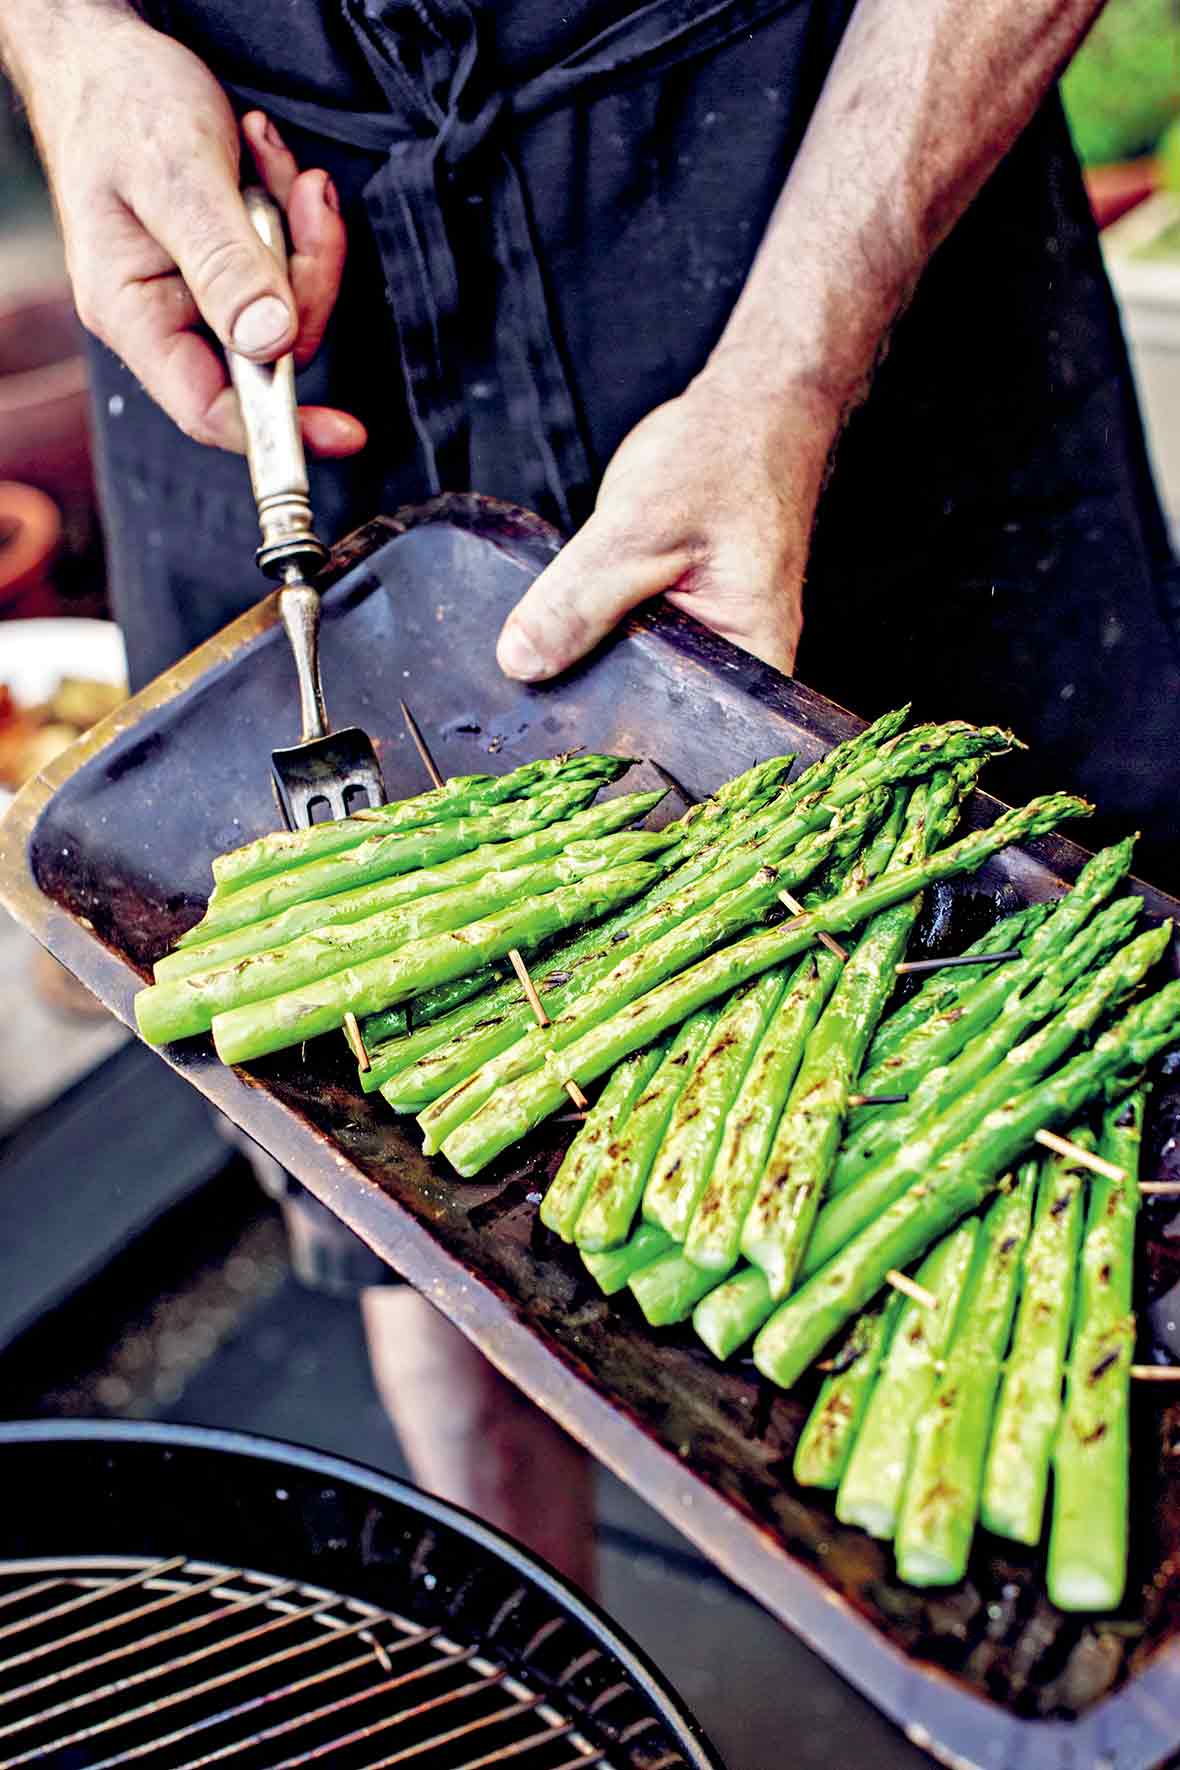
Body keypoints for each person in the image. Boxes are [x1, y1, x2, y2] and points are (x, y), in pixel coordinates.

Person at [4, 0, 1177, 1590]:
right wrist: (65, 44)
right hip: (265, 226)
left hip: (816, 180)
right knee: (404, 1235)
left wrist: (798, 362)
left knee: (1065, 1047)